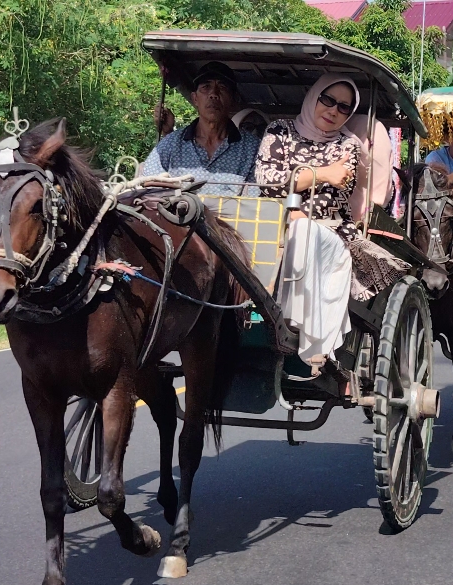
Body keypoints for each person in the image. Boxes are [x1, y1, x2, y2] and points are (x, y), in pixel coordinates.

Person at [254, 75, 408, 362]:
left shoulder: (348, 145)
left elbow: (331, 197)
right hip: (271, 223)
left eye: (344, 107)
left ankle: (298, 330)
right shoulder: (279, 130)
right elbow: (265, 180)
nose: (333, 110)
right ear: (314, 96)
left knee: (304, 232)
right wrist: (321, 174)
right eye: (328, 100)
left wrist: (297, 186)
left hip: (332, 230)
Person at [141, 62, 260, 196]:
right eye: (206, 87)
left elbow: (253, 204)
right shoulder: (171, 145)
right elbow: (148, 189)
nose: (213, 94)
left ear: (233, 99)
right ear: (195, 98)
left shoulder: (252, 150)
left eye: (222, 87)